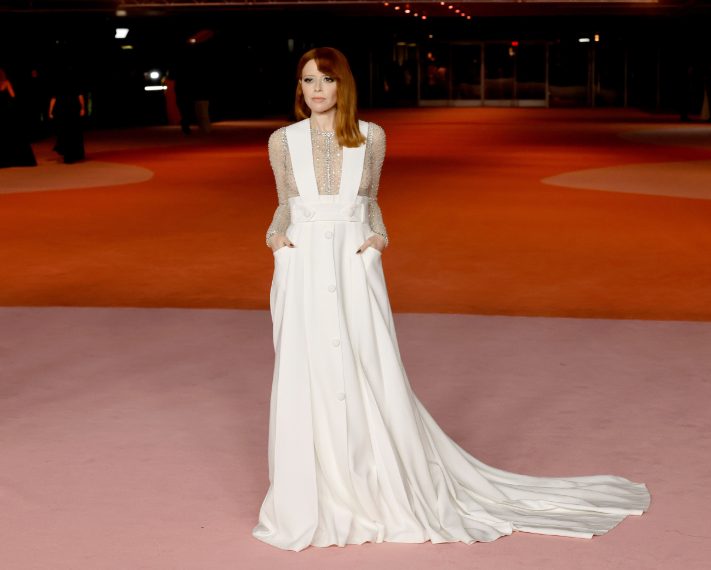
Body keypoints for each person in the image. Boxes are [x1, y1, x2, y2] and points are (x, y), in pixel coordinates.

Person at [252, 47, 650, 552]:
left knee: (367, 365)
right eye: (308, 80)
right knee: (307, 371)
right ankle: (316, 490)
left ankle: (373, 480)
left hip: (353, 266)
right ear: (299, 87)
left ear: (342, 85)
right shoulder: (282, 141)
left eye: (326, 80)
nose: (316, 90)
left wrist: (378, 241)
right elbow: (284, 206)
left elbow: (371, 203)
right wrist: (276, 241)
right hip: (304, 266)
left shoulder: (372, 137)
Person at [0, 68, 37, 168]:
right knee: (12, 134)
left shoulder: (6, 83)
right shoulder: (6, 83)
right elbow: (13, 96)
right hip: (6, 111)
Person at [49, 73, 86, 164]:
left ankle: (68, 154)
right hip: (70, 111)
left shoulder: (58, 86)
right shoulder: (74, 84)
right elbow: (80, 96)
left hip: (64, 111)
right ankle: (72, 153)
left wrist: (50, 111)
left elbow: (53, 99)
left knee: (65, 132)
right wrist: (82, 108)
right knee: (72, 132)